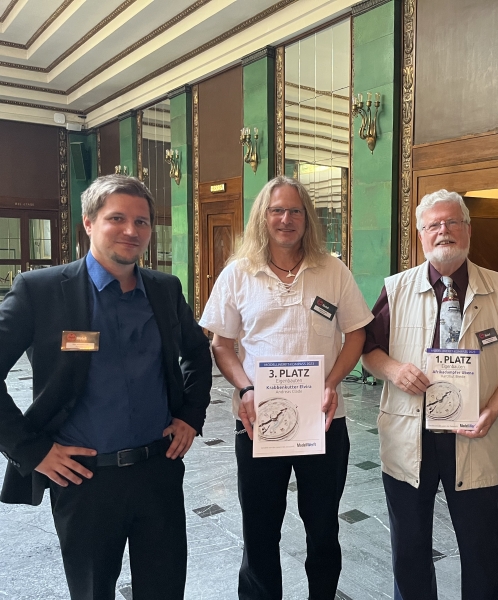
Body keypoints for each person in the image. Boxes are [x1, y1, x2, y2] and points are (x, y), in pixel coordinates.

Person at [0, 174, 212, 600]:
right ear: (89, 222)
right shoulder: (41, 290)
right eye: (117, 218)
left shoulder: (165, 289)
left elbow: (196, 351)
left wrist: (191, 415)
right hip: (85, 481)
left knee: (165, 590)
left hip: (158, 472)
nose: (131, 230)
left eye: (142, 221)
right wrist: (31, 450)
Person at [199, 176, 373, 600]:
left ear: (307, 218)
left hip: (324, 420)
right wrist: (245, 389)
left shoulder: (332, 270)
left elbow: (356, 334)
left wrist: (332, 382)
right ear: (263, 217)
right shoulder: (238, 273)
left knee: (323, 529)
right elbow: (221, 344)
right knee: (259, 531)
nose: (286, 219)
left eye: (296, 211)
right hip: (258, 420)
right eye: (277, 210)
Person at [362, 189, 498, 600]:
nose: (444, 230)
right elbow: (368, 351)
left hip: (474, 435)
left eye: (452, 222)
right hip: (411, 436)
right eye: (434, 225)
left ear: (468, 230)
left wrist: (493, 410)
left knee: (483, 548)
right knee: (410, 549)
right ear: (421, 234)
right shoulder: (396, 289)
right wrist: (394, 370)